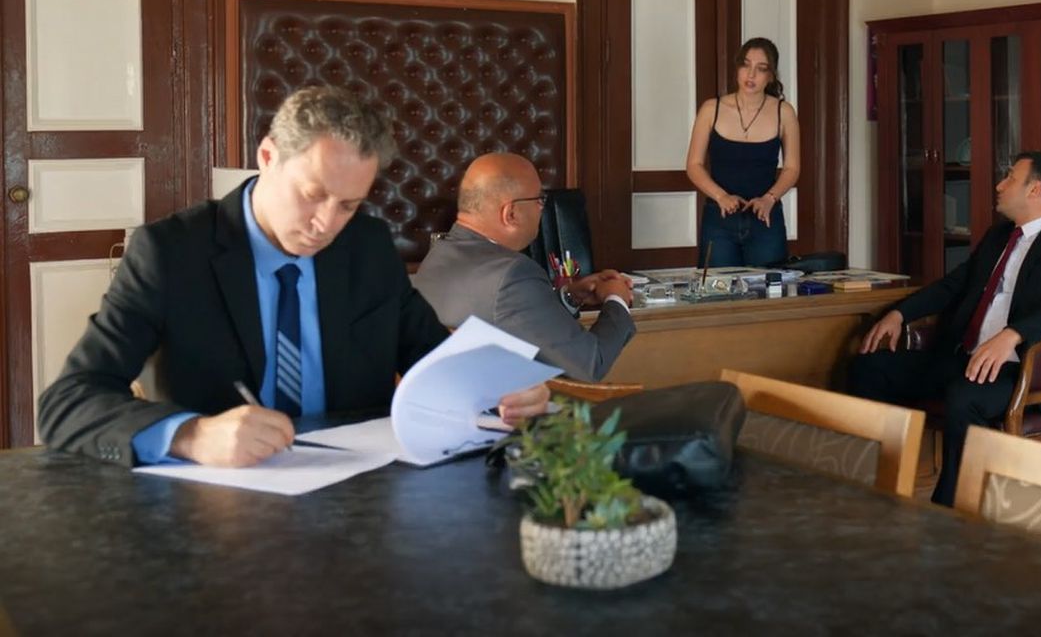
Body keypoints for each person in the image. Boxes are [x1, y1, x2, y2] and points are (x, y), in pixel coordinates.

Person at [36, 86, 550, 468]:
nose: (326, 224)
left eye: (348, 205)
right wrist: (190, 435)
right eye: (312, 194)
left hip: (360, 496)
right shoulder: (171, 253)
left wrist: (502, 391)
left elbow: (433, 358)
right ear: (267, 157)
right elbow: (67, 402)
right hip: (216, 508)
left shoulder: (367, 246)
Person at [847, 151, 1041, 506]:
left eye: (1010, 178)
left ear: (1035, 190)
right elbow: (953, 285)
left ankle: (952, 510)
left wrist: (1013, 335)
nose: (999, 185)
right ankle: (881, 485)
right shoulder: (999, 236)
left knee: (964, 398)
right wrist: (899, 314)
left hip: (1023, 369)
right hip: (963, 358)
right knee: (868, 368)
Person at [414, 153, 636, 381]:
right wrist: (616, 300)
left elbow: (506, 315)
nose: (541, 208)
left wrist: (569, 296)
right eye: (539, 199)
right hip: (509, 401)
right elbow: (589, 365)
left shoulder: (438, 255)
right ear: (510, 213)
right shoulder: (514, 273)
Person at [685, 37, 800, 267]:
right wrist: (721, 196)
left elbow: (792, 167)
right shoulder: (711, 109)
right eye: (746, 65)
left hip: (765, 217)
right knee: (716, 287)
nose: (751, 74)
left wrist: (769, 198)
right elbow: (694, 165)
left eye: (761, 68)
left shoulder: (784, 112)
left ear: (771, 76)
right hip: (719, 217)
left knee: (768, 285)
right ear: (737, 68)